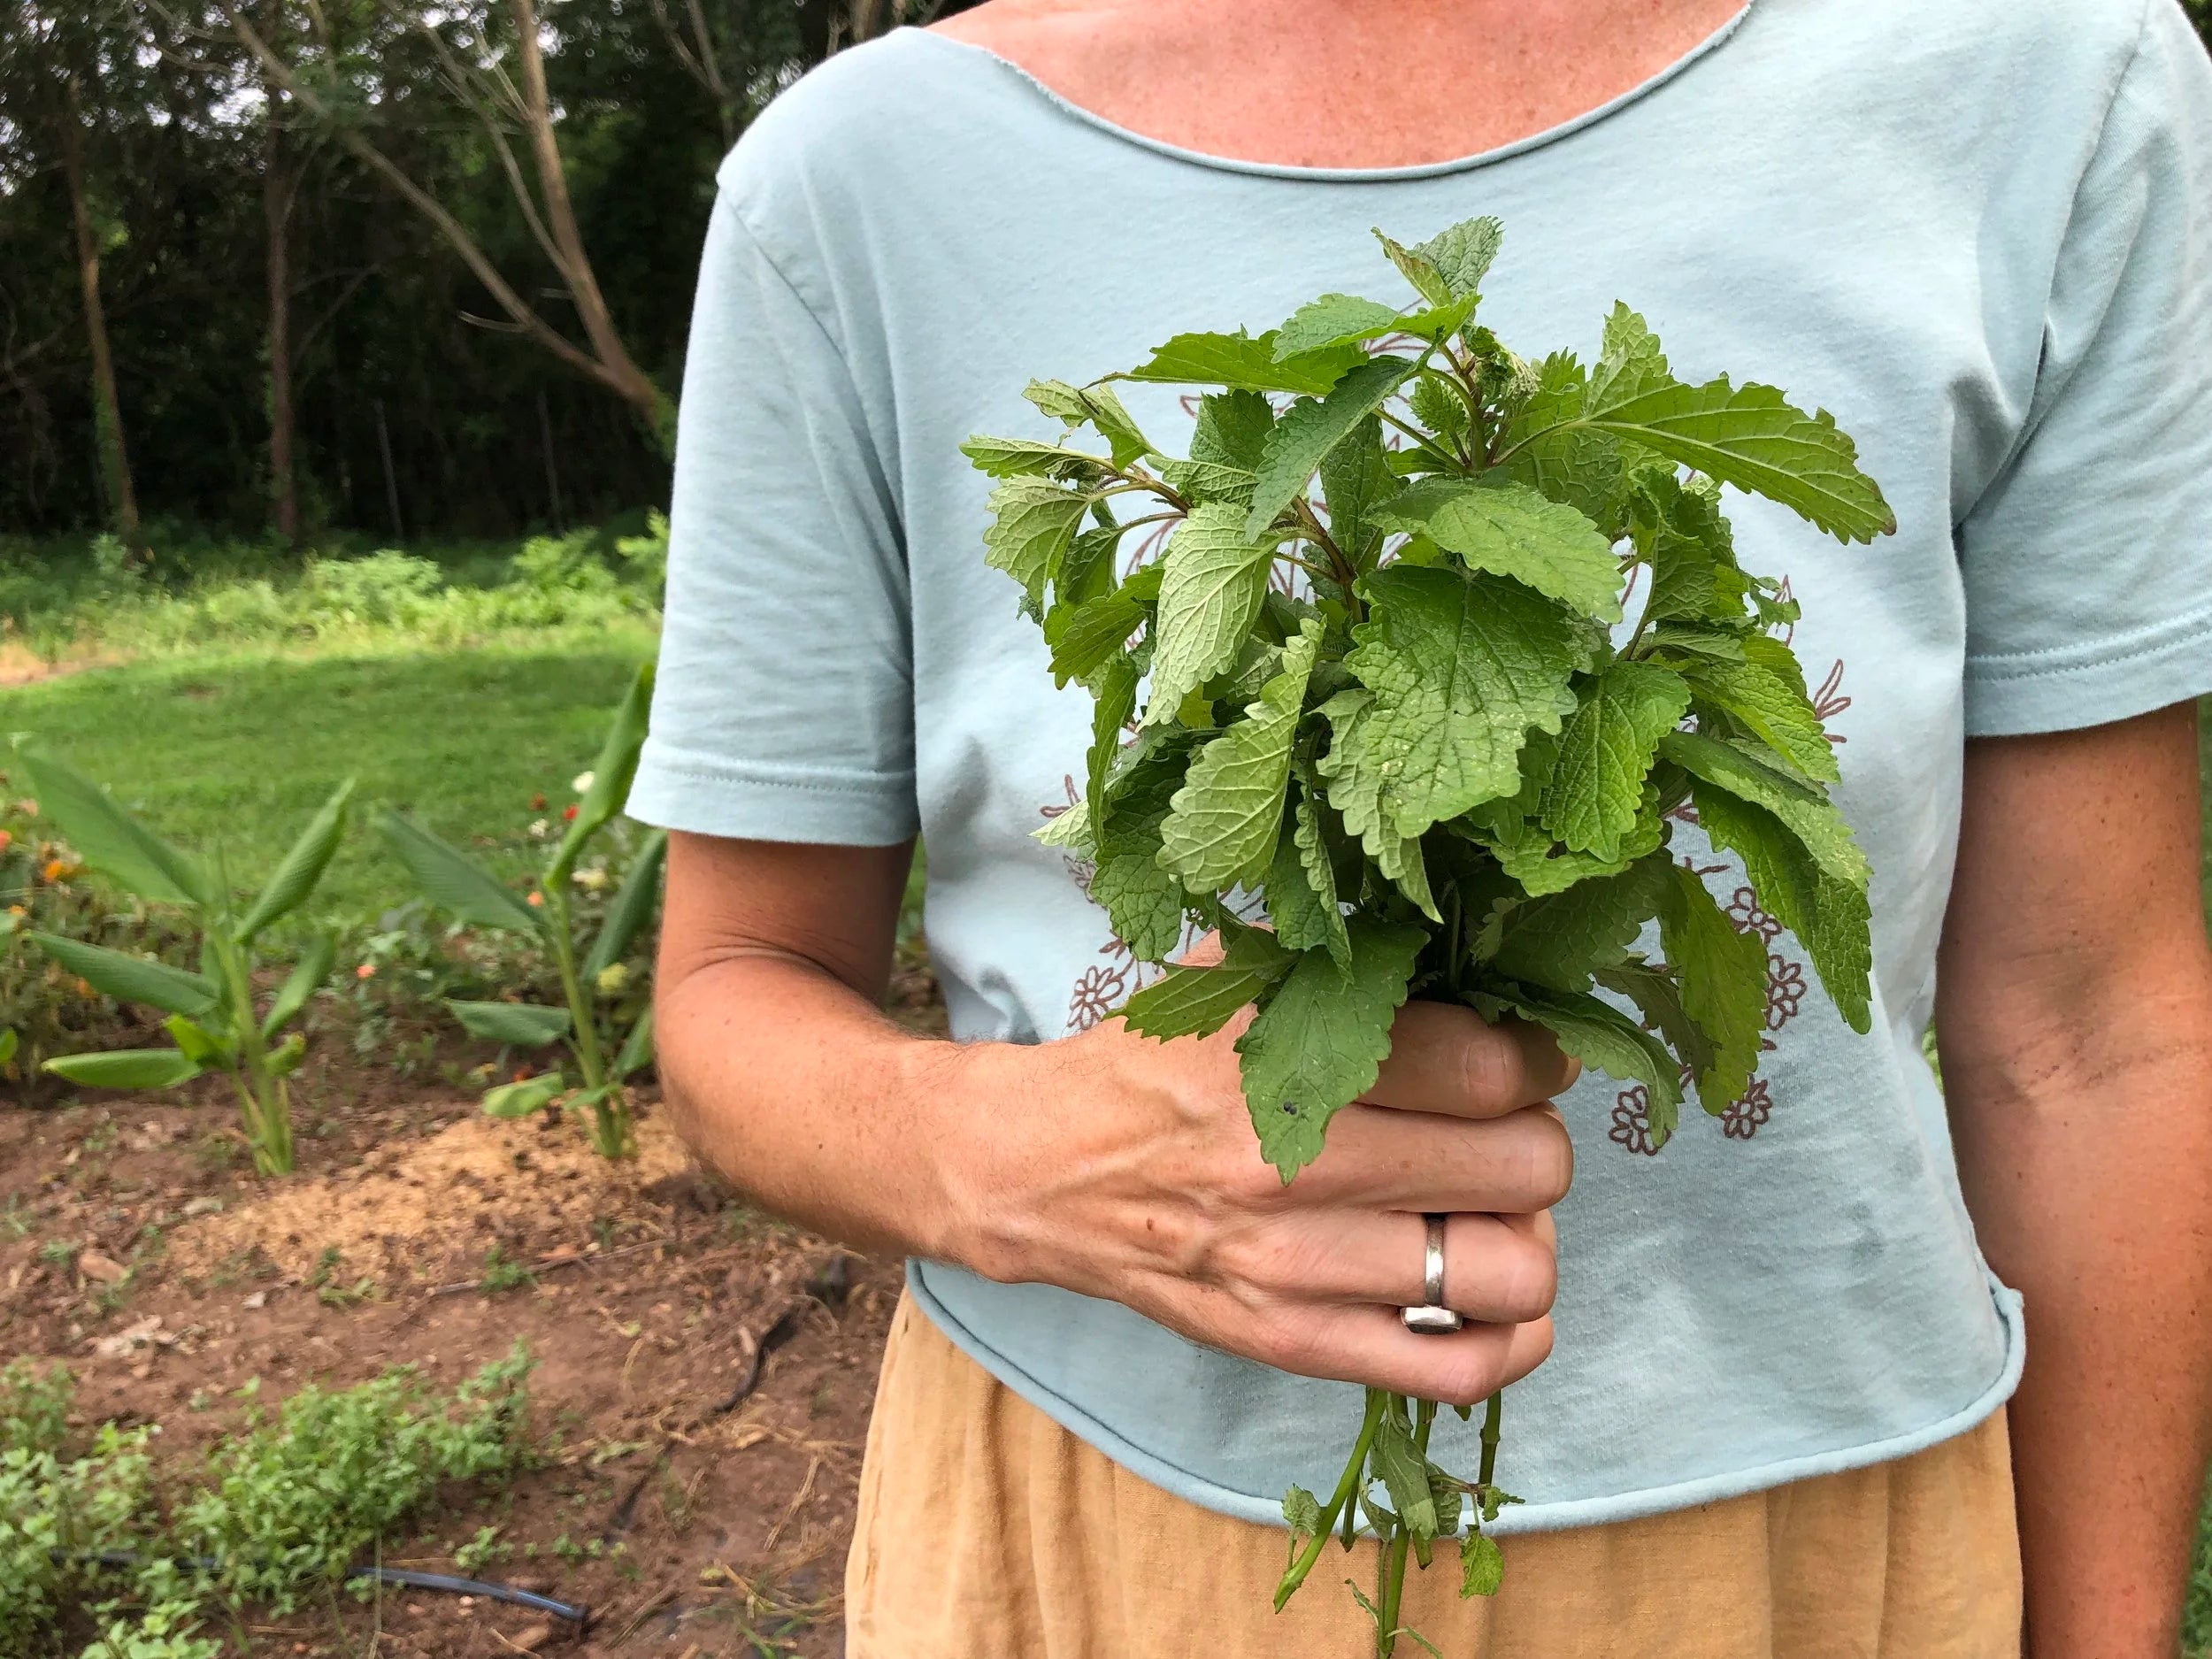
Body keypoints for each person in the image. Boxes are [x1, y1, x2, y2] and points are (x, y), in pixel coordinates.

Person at [627, 0, 2212, 1652]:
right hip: (1118, 1543)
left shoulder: (2045, 74)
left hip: (1811, 1544)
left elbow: (2090, 1034)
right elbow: (733, 984)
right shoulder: (860, 180)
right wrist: (1025, 1160)